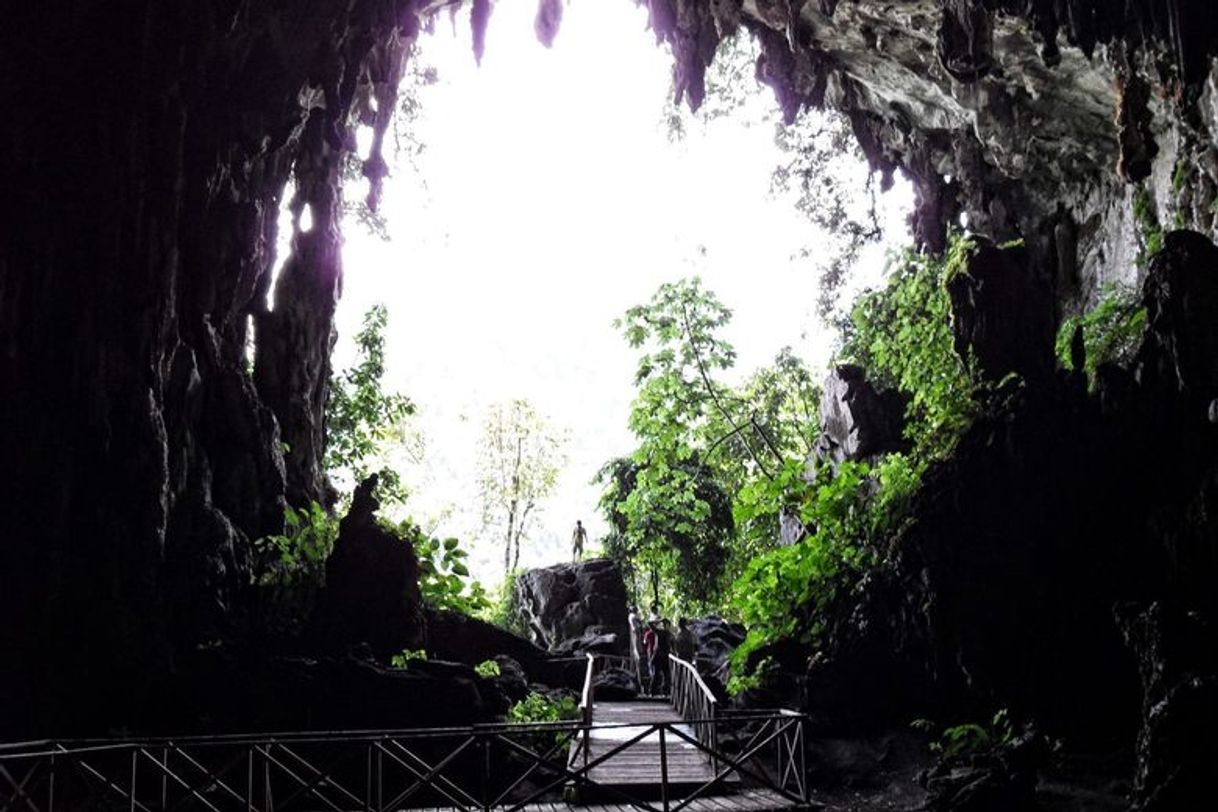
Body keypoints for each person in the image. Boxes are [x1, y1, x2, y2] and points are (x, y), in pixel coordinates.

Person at [648, 619, 673, 696]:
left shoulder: (669, 634)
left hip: (665, 656)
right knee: (657, 675)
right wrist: (659, 621)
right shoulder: (659, 632)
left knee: (666, 675)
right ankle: (653, 691)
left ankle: (665, 691)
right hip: (658, 656)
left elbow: (671, 646)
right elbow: (650, 623)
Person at [628, 605, 649, 687]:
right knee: (637, 662)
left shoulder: (634, 618)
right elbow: (635, 627)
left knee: (636, 665)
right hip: (635, 644)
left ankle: (638, 683)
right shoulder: (632, 617)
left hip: (637, 643)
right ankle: (638, 684)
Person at [641, 622, 658, 695]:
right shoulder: (656, 634)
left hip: (650, 651)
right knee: (654, 668)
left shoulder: (648, 633)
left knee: (651, 667)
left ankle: (650, 688)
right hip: (654, 651)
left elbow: (645, 642)